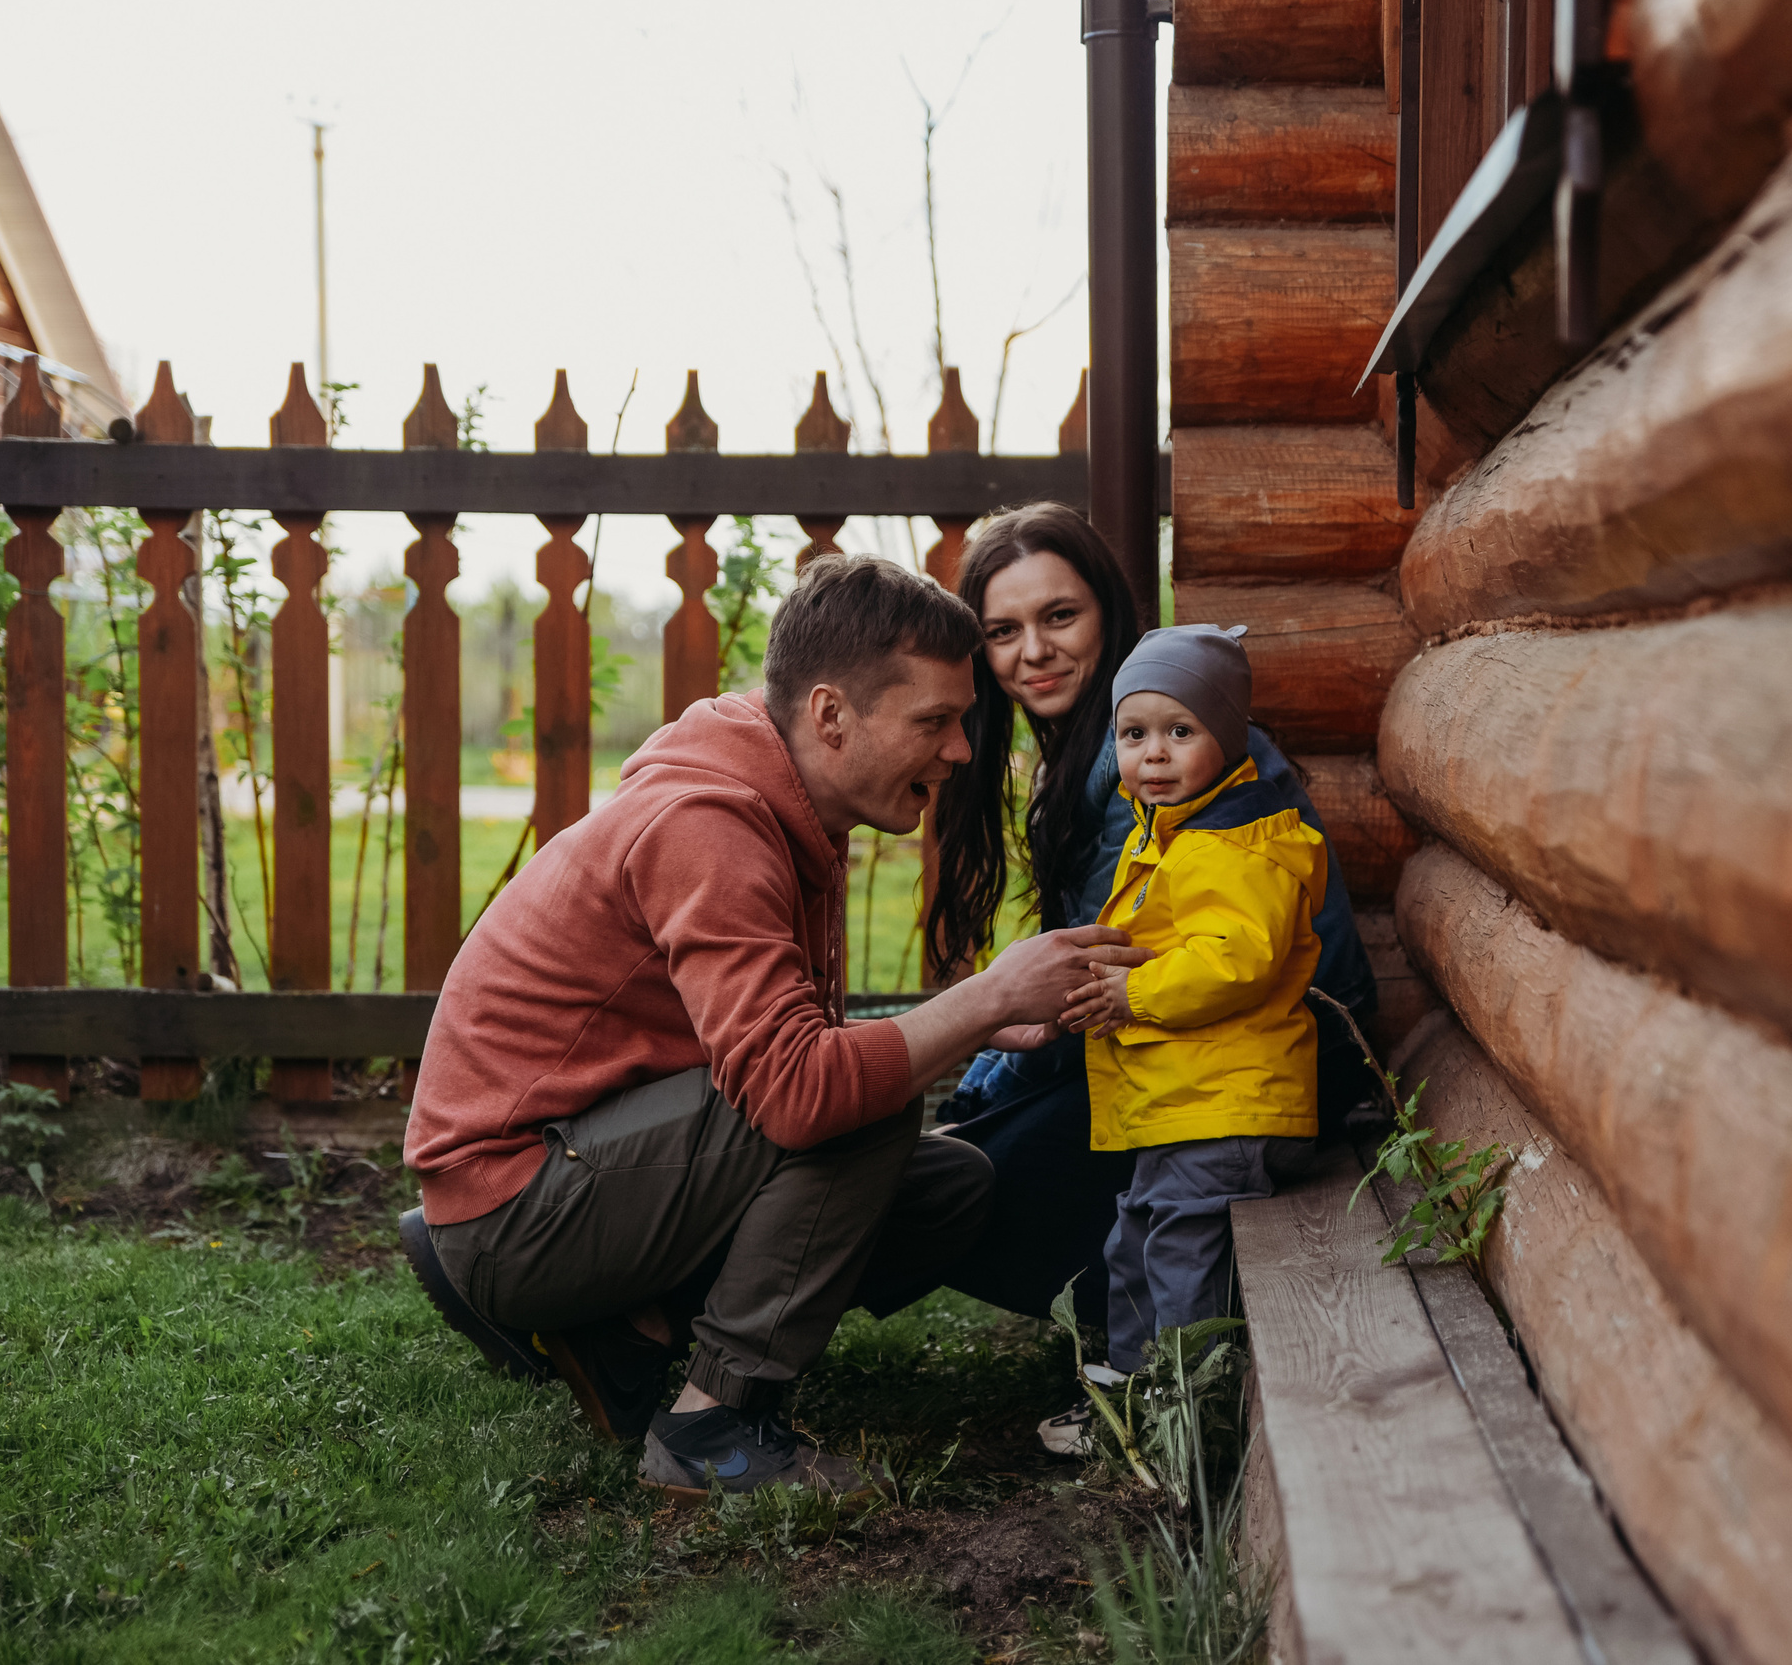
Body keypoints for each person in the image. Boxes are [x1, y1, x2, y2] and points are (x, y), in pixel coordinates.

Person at [396, 554, 1149, 1503]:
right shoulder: (711, 826)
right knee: (855, 1105)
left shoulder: (792, 800)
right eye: (934, 721)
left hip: (581, 1162)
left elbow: (775, 1043)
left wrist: (965, 1026)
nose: (961, 749)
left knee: (953, 1187)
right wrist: (982, 1001)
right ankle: (716, 1422)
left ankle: (633, 1330)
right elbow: (800, 1090)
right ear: (831, 715)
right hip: (512, 1201)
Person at [921, 505, 1378, 1444]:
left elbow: (1096, 977)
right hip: (1192, 1042)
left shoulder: (1163, 768)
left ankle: (1161, 1394)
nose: (1032, 653)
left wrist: (977, 1094)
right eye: (1002, 631)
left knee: (965, 1172)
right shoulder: (1123, 755)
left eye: (1060, 617)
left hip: (1257, 1070)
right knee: (972, 1148)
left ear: (1111, 616)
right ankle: (1130, 1366)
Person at [1064, 625, 1325, 1373]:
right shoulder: (1173, 836)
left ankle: (1188, 1396)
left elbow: (1238, 957)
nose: (1154, 752)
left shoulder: (1232, 843)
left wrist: (1132, 992)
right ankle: (1136, 1378)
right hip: (1187, 1099)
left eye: (1181, 730)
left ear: (1230, 737)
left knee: (1183, 1248)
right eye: (1134, 733)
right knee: (1138, 1235)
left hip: (1230, 1101)